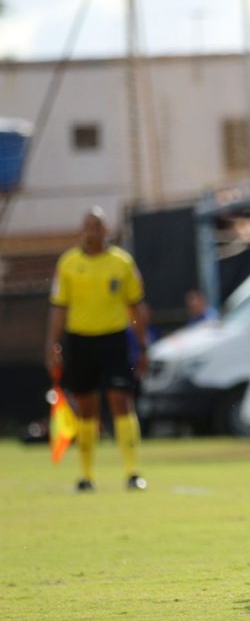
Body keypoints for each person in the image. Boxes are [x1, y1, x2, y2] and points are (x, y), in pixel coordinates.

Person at [45, 207, 151, 492]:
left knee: (120, 401)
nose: (92, 232)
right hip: (80, 341)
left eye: (97, 226)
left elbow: (136, 306)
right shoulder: (68, 263)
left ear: (106, 231)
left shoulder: (121, 262)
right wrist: (53, 345)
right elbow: (59, 308)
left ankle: (132, 472)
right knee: (86, 408)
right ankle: (86, 475)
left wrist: (142, 345)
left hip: (114, 339)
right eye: (87, 226)